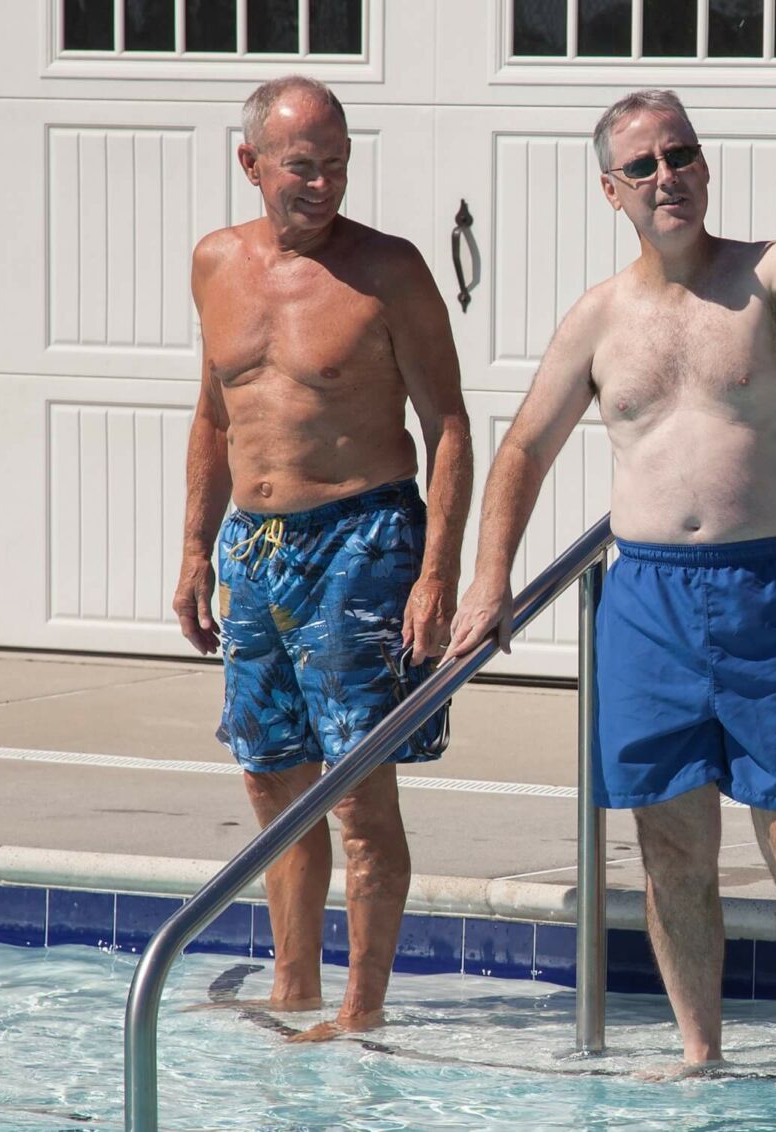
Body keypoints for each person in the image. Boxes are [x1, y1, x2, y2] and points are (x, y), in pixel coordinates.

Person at [445, 88, 776, 1072]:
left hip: (773, 593)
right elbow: (524, 444)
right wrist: (490, 580)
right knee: (671, 855)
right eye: (645, 166)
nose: (669, 177)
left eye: (681, 155)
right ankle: (703, 1057)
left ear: (704, 165)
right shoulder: (601, 318)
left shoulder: (765, 274)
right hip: (649, 602)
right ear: (613, 190)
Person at [173, 75, 472, 1041]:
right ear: (250, 162)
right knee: (270, 773)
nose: (324, 183)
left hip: (362, 540)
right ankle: (293, 983)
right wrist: (192, 548)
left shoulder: (390, 271)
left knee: (356, 785)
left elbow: (450, 426)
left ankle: (361, 1006)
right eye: (303, 165)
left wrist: (438, 572)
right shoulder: (216, 263)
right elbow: (217, 410)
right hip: (253, 548)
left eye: (337, 163)